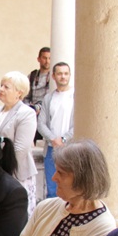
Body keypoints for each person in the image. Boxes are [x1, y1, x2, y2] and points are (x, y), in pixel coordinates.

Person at [0, 71, 39, 210]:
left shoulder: (26, 113)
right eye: (1, 86)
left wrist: (2, 169)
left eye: (6, 87)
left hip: (15, 171)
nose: (1, 89)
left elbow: (20, 149)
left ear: (19, 92)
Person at [36, 62, 75, 197]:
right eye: (59, 73)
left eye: (66, 73)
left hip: (70, 147)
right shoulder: (48, 98)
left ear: (70, 75)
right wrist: (53, 139)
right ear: (53, 76)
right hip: (51, 148)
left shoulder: (76, 96)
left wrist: (64, 139)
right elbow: (41, 123)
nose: (63, 77)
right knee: (52, 188)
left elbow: (78, 123)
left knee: (71, 185)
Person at [25, 47, 52, 136]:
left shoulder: (53, 77)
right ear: (39, 59)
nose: (47, 61)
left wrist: (39, 108)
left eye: (49, 58)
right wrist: (29, 108)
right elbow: (25, 95)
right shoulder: (32, 76)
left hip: (46, 113)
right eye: (44, 58)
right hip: (32, 113)